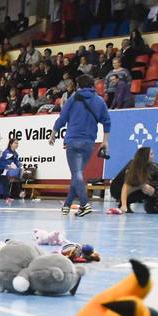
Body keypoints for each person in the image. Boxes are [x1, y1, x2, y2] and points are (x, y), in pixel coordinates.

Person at [52, 74, 111, 217]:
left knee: (76, 173)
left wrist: (54, 132)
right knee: (77, 174)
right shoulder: (100, 101)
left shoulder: (73, 98)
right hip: (89, 143)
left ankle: (85, 204)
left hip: (73, 140)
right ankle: (67, 205)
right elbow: (107, 122)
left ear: (79, 85)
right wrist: (105, 141)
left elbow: (62, 118)